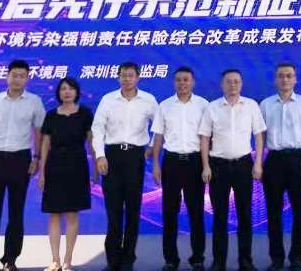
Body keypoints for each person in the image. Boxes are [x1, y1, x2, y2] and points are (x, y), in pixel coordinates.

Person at [0, 59, 45, 271]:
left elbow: (39, 132)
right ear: (7, 76)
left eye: (22, 76)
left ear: (27, 78)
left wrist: (37, 158)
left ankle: (10, 260)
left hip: (20, 160)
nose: (17, 79)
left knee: (16, 212)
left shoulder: (34, 102)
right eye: (14, 75)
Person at [92, 61, 159, 271]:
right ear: (118, 77)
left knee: (132, 209)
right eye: (123, 75)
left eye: (131, 75)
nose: (127, 79)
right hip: (111, 157)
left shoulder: (148, 100)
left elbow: (160, 126)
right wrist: (100, 156)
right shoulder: (108, 99)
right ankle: (112, 259)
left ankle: (128, 258)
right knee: (113, 211)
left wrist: (150, 147)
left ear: (138, 77)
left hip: (135, 158)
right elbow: (97, 128)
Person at [198, 69, 266, 271]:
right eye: (228, 81)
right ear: (222, 85)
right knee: (220, 216)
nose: (233, 85)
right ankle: (219, 261)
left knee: (244, 214)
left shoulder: (251, 106)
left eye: (236, 81)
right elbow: (204, 138)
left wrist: (258, 162)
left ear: (241, 84)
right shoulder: (212, 107)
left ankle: (245, 260)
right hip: (218, 166)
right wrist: (206, 166)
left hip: (243, 165)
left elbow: (259, 136)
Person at [259, 63, 301, 271]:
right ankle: (276, 258)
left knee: (299, 212)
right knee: (273, 213)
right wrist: (259, 162)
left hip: (297, 160)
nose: (285, 79)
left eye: (289, 76)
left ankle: (296, 258)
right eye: (281, 76)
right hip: (273, 161)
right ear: (275, 79)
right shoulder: (265, 104)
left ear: (295, 79)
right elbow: (261, 136)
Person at [151, 67, 209, 271]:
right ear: (174, 82)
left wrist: (206, 165)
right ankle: (170, 259)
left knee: (196, 212)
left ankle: (198, 258)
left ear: (192, 82)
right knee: (169, 212)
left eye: (186, 79)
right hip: (172, 162)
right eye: (178, 80)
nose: (182, 83)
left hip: (195, 162)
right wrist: (156, 164)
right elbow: (158, 137)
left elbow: (207, 137)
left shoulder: (203, 105)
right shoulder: (165, 105)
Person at [38, 77, 94, 271]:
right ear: (59, 93)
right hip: (54, 167)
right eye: (63, 89)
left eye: (70, 89)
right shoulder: (51, 115)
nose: (67, 92)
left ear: (76, 92)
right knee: (54, 214)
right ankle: (55, 260)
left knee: (72, 214)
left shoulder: (85, 114)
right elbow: (45, 144)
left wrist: (96, 166)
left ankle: (68, 260)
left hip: (77, 166)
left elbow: (91, 141)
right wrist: (42, 172)